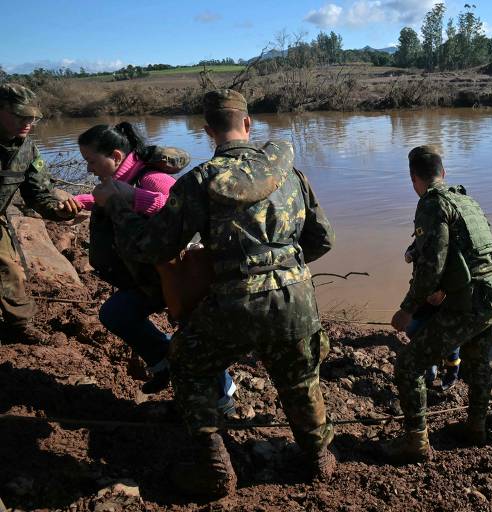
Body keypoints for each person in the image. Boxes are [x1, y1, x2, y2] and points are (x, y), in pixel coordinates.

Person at [93, 89, 336, 499]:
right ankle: (318, 460)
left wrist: (118, 205)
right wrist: (284, 269)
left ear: (207, 131)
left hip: (234, 301)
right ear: (247, 124)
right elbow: (323, 239)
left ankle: (212, 466)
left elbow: (153, 248)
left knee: (187, 364)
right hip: (296, 296)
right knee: (300, 378)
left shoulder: (200, 181)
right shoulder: (290, 173)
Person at [75, 123, 236, 405]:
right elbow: (106, 199)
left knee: (192, 336)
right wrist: (79, 201)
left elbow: (175, 208)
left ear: (115, 155)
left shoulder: (151, 179)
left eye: (91, 161)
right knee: (115, 313)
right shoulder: (118, 181)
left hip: (181, 278)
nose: (89, 169)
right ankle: (164, 363)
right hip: (152, 279)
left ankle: (223, 396)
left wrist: (131, 198)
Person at [384, 145, 492, 462]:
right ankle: (476, 427)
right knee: (477, 361)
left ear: (414, 178)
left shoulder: (432, 204)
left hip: (469, 301)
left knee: (409, 364)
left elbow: (432, 266)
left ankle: (416, 443)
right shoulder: (467, 201)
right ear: (443, 173)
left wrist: (408, 308)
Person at [0, 83, 82, 344]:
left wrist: (60, 211)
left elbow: (38, 193)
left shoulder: (27, 149)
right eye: (20, 115)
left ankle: (19, 324)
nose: (28, 122)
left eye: (32, 117)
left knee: (13, 269)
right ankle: (20, 324)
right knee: (8, 267)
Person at [404, 243, 462, 391]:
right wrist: (412, 254)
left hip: (445, 300)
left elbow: (457, 273)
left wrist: (443, 291)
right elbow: (408, 257)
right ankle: (431, 368)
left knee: (451, 344)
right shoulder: (420, 241)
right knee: (413, 330)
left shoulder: (451, 245)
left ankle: (451, 376)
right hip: (422, 296)